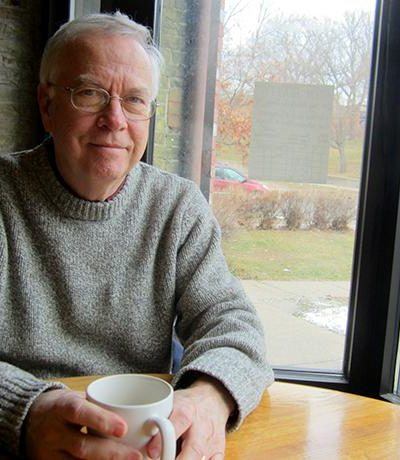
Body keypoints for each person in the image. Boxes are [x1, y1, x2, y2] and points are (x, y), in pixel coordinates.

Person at [0, 11, 273, 460]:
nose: (114, 119)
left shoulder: (178, 210)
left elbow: (234, 326)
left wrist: (209, 397)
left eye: (134, 100)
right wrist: (25, 413)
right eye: (90, 94)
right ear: (47, 106)